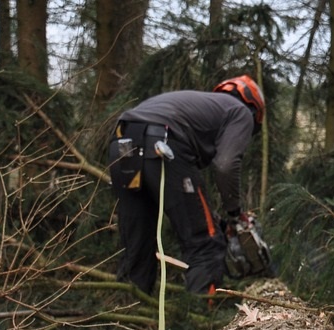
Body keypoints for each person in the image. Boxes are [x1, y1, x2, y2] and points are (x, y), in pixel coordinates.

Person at [106, 75, 266, 295]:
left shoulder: (201, 106)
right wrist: (235, 213)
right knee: (206, 244)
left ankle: (129, 321)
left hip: (122, 145)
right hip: (162, 145)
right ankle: (200, 323)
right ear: (255, 109)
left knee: (137, 247)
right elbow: (225, 165)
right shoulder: (240, 112)